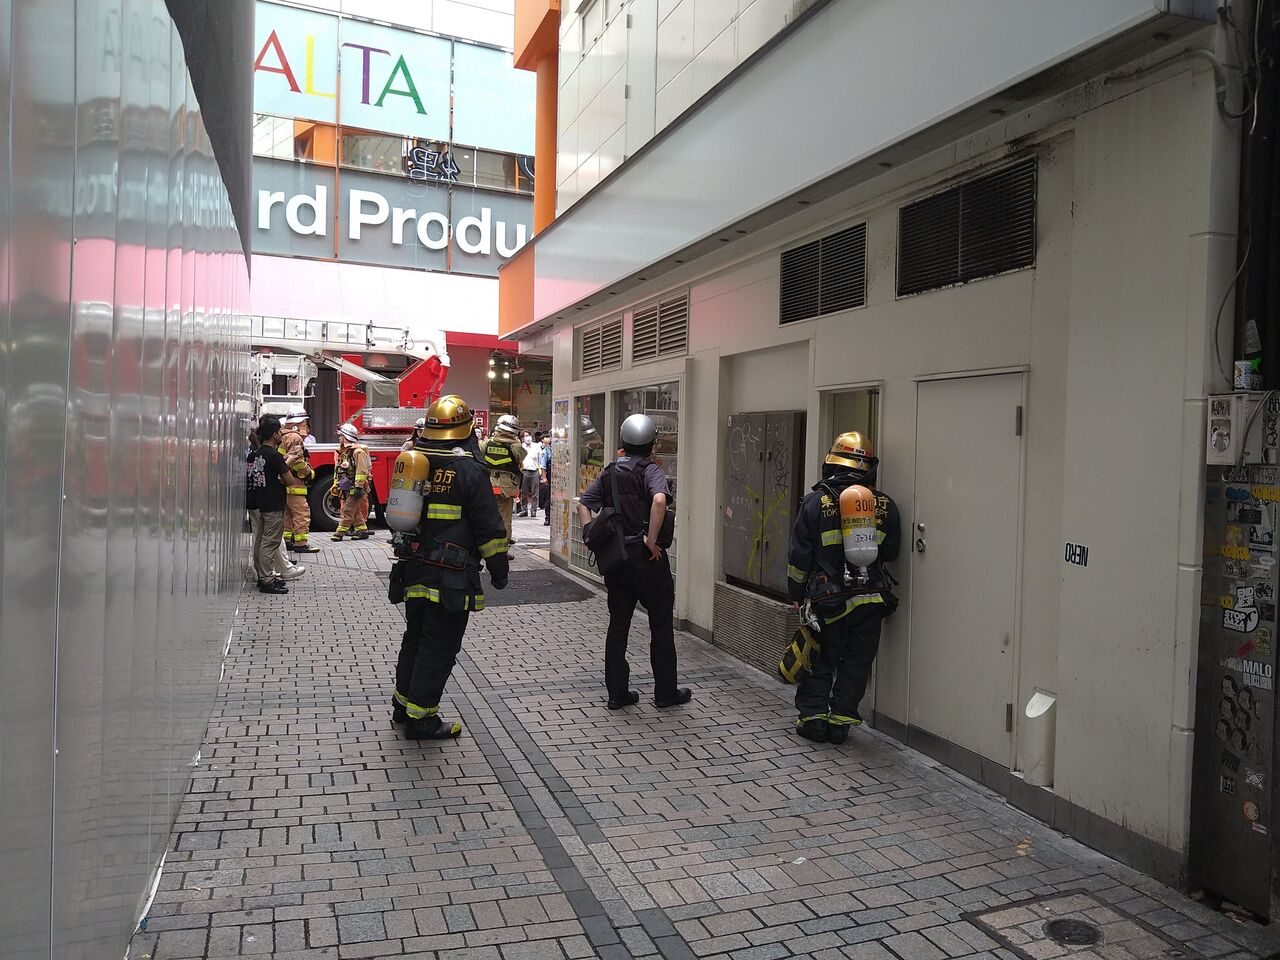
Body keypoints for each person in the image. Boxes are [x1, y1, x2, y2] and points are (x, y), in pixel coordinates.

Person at [390, 395, 509, 740]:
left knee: (415, 638)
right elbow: (488, 526)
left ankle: (403, 706)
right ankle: (422, 720)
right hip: (450, 577)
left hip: (414, 567)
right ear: (466, 429)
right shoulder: (469, 469)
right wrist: (499, 570)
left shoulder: (417, 458)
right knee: (438, 646)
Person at [787, 431, 900, 744]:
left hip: (830, 601)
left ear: (832, 463)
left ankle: (813, 720)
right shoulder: (884, 504)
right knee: (857, 662)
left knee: (821, 658)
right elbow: (891, 552)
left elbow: (799, 557)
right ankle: (840, 723)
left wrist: (796, 594)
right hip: (872, 599)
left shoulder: (815, 503)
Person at [577, 414, 690, 710]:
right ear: (652, 444)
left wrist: (590, 534)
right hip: (647, 561)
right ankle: (665, 693)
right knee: (660, 626)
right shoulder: (651, 470)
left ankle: (618, 694)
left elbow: (584, 504)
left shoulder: (610, 472)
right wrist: (651, 540)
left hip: (618, 561)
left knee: (618, 626)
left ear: (624, 442)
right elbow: (659, 501)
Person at [250, 416, 296, 594]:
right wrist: (288, 463)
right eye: (280, 432)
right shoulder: (274, 455)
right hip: (274, 504)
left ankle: (262, 576)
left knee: (260, 541)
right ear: (274, 434)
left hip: (261, 503)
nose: (282, 435)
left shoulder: (258, 454)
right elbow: (290, 480)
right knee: (270, 543)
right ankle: (267, 580)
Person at [280, 408, 319, 554]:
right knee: (302, 512)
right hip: (295, 483)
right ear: (297, 423)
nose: (306, 426)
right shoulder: (295, 438)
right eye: (304, 423)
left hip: (286, 483)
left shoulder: (284, 437)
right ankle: (301, 543)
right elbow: (296, 460)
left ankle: (287, 540)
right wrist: (308, 472)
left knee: (289, 513)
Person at [483, 414, 525, 544]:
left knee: (487, 514)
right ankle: (504, 542)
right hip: (505, 485)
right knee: (505, 516)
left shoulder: (487, 443)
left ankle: (488, 539)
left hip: (488, 483)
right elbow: (521, 458)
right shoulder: (516, 446)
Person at [331, 423, 372, 541]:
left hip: (355, 488)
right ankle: (362, 531)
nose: (339, 439)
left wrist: (358, 487)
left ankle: (340, 533)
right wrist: (336, 484)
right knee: (355, 510)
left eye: (341, 436)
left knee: (347, 509)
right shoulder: (344, 452)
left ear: (346, 437)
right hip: (347, 487)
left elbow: (361, 470)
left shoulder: (358, 452)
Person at [519, 431, 543, 518]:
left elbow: (540, 459)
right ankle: (524, 510)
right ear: (522, 438)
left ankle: (534, 510)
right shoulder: (521, 447)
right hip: (524, 471)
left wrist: (540, 470)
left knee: (535, 492)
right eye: (525, 436)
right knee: (524, 492)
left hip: (534, 471)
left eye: (528, 435)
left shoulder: (536, 446)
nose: (527, 437)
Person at [539, 433, 552, 526]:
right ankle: (547, 518)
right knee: (549, 498)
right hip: (549, 476)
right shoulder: (546, 451)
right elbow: (543, 466)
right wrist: (544, 477)